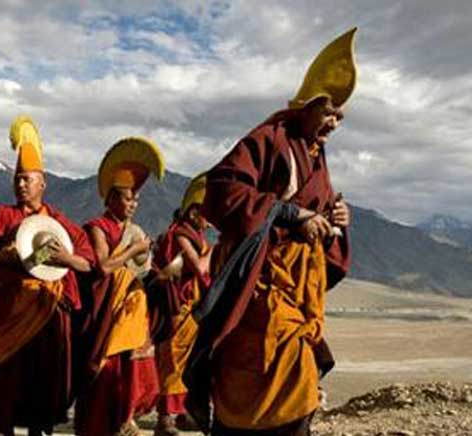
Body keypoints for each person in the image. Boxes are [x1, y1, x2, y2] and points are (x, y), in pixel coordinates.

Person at [186, 28, 356, 436]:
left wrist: (337, 223)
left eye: (339, 116)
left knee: (299, 375)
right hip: (259, 286)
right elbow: (224, 185)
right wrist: (288, 213)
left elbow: (318, 218)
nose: (333, 123)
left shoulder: (316, 156)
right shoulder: (271, 139)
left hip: (297, 289)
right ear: (308, 105)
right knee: (253, 373)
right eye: (328, 112)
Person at [0, 115, 94, 436]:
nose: (20, 184)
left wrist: (65, 258)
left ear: (42, 183)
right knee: (9, 381)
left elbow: (88, 263)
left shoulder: (59, 222)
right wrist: (2, 256)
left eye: (27, 178)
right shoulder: (2, 217)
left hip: (48, 312)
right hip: (11, 312)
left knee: (44, 380)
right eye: (17, 179)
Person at [74, 137, 164, 436]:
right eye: (127, 198)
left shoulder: (131, 230)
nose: (133, 204)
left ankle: (126, 418)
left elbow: (139, 269)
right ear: (111, 198)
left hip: (128, 310)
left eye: (136, 200)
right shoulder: (97, 227)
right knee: (104, 371)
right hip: (104, 313)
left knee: (126, 370)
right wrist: (132, 249)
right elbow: (104, 265)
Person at [152, 174, 213, 436]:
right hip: (177, 306)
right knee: (172, 359)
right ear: (193, 212)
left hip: (195, 308)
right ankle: (164, 418)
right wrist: (214, 251)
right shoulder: (180, 236)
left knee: (189, 361)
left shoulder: (196, 235)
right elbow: (199, 267)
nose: (209, 222)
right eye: (206, 214)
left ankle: (182, 413)